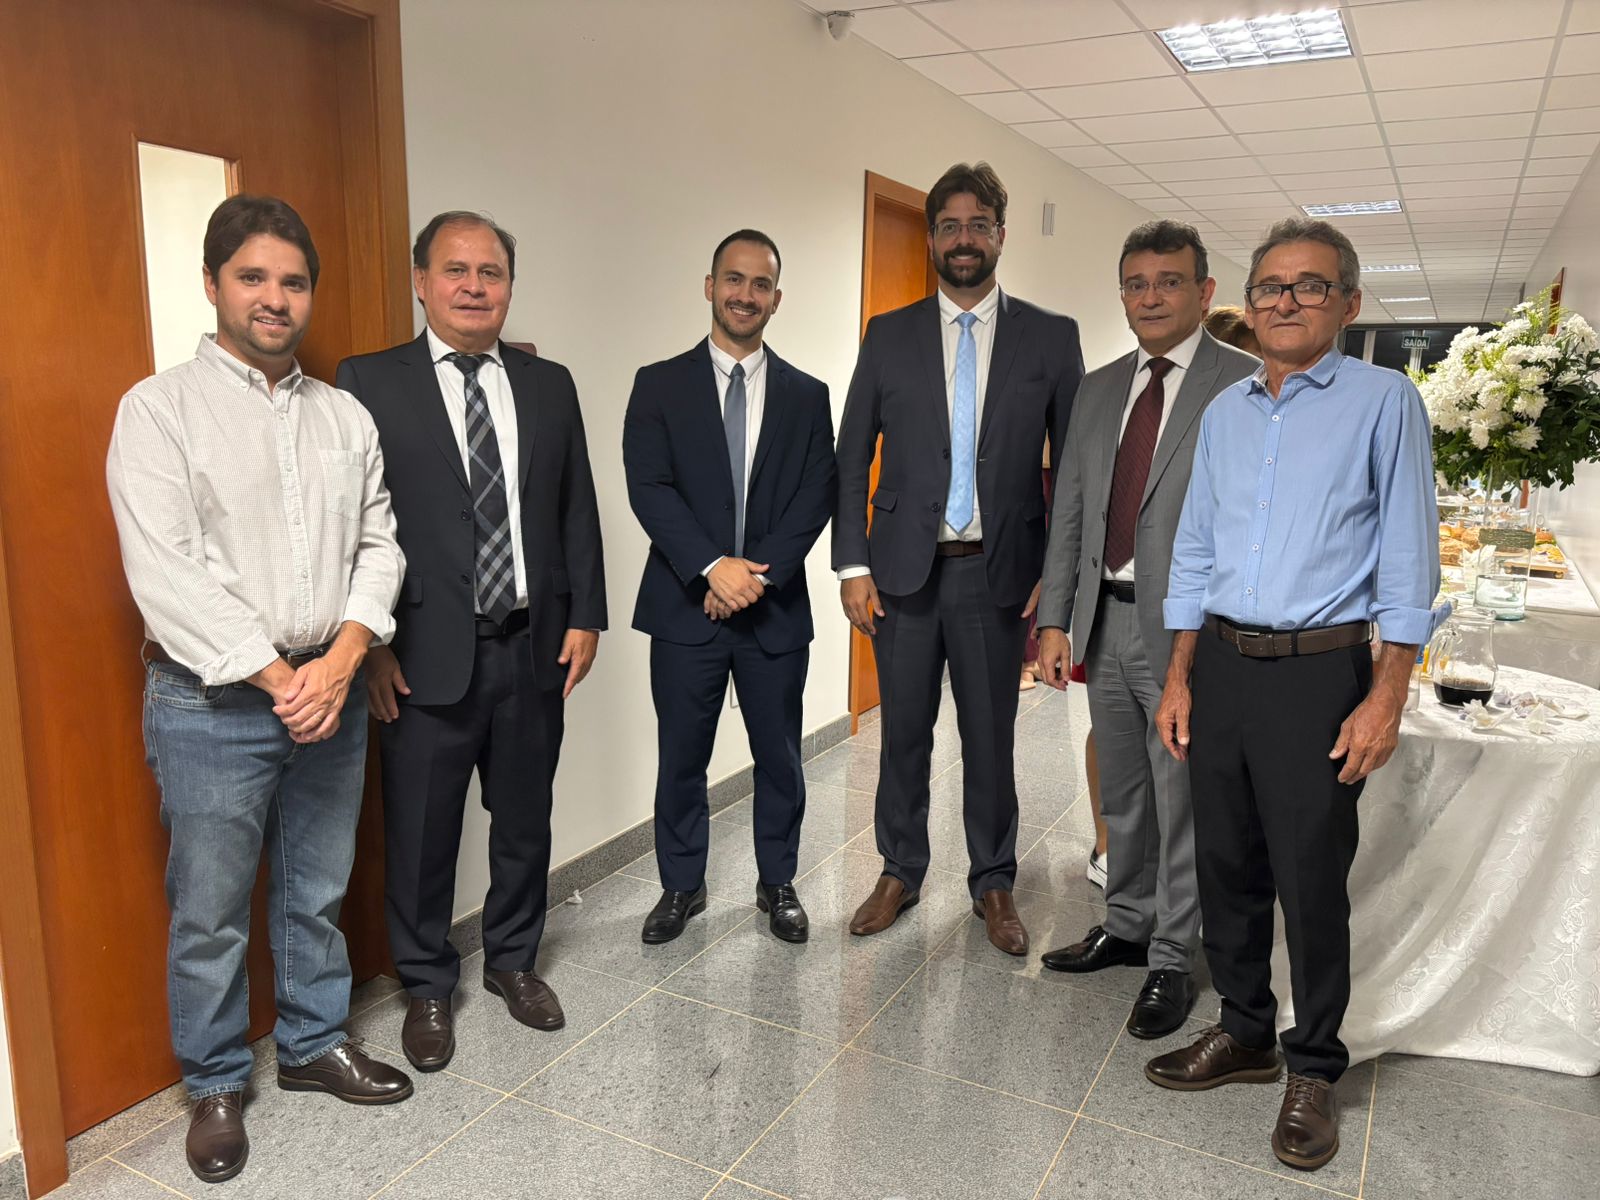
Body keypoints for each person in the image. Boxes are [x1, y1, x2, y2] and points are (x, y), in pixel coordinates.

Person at [107, 195, 411, 1184]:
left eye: (292, 281)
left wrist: (344, 658)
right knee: (210, 909)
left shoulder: (345, 417)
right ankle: (215, 1082)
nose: (274, 298)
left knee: (317, 889)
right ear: (212, 285)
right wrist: (288, 681)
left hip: (329, 685)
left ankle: (315, 1042)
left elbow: (380, 544)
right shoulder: (158, 412)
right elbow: (168, 573)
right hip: (212, 707)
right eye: (253, 278)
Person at [1147, 218, 1439, 1172]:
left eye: (1309, 286)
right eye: (1269, 286)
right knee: (1225, 862)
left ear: (1347, 303)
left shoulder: (1385, 402)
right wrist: (1181, 672)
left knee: (1310, 878)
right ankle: (1244, 1030)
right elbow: (1195, 548)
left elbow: (1408, 556)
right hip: (1221, 664)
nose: (1284, 302)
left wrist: (1387, 694)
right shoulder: (1226, 413)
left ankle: (1313, 1063)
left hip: (1320, 671)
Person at [336, 212, 607, 1074]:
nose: (474, 286)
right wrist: (369, 646)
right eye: (455, 270)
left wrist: (587, 615)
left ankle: (514, 960)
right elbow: (350, 525)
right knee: (421, 832)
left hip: (533, 644)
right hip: (418, 653)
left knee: (524, 818)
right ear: (421, 281)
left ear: (509, 287)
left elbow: (576, 505)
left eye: (491, 272)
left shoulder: (548, 383)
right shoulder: (366, 382)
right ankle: (425, 984)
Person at [834, 162, 1084, 955]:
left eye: (979, 224)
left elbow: (1074, 470)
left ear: (1001, 235)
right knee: (902, 735)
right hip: (902, 574)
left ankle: (994, 881)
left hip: (997, 573)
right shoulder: (889, 334)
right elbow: (850, 456)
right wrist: (851, 565)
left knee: (990, 737)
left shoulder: (1051, 337)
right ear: (932, 238)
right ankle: (899, 870)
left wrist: (1056, 579)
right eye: (950, 226)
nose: (964, 238)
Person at [1035, 220, 1259, 1041]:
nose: (1151, 297)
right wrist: (1054, 620)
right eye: (1137, 283)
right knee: (1124, 791)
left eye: (1169, 281)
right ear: (1122, 294)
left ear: (1205, 291)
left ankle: (1172, 955)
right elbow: (1071, 512)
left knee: (1181, 800)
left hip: (1190, 633)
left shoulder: (1243, 383)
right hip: (1105, 623)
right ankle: (1127, 925)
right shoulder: (1098, 389)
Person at [623, 230, 836, 944]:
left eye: (760, 284)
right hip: (686, 609)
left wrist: (750, 577)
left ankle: (778, 881)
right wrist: (713, 567)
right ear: (709, 286)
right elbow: (649, 488)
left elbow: (815, 495)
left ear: (777, 298)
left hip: (774, 614)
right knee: (682, 757)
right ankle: (681, 884)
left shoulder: (807, 395)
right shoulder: (659, 384)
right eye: (734, 280)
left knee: (780, 757)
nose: (746, 295)